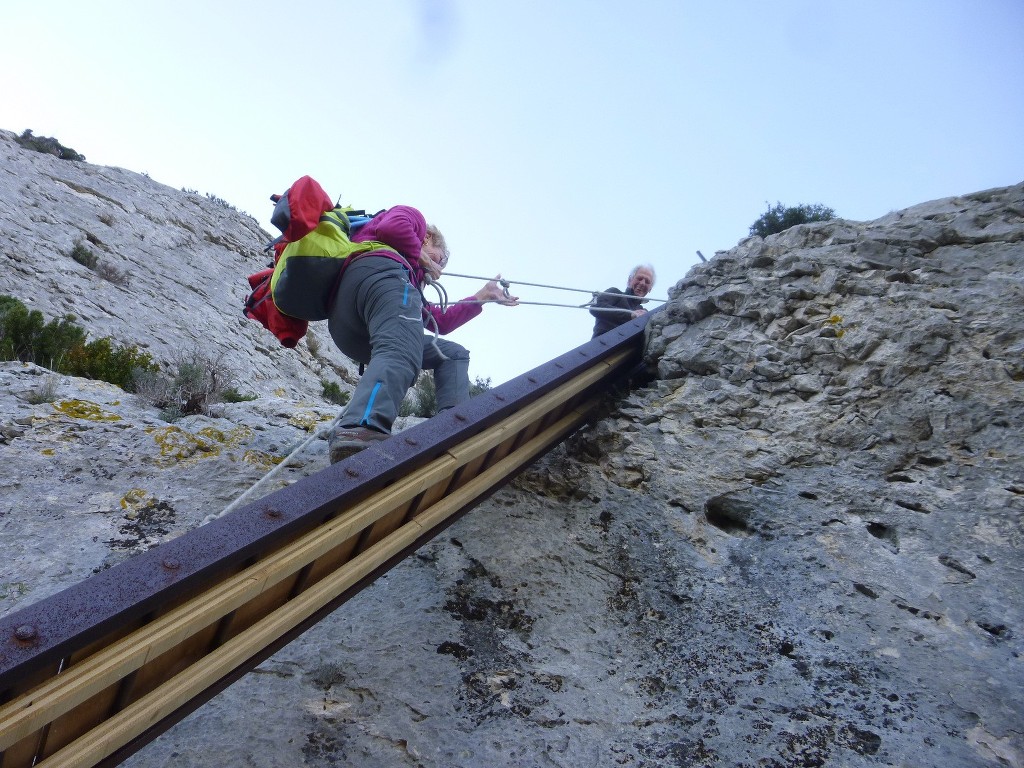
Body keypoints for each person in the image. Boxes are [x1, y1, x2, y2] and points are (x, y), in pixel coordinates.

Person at [326, 206, 518, 463]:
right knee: (401, 349)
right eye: (439, 259)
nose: (437, 268)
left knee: (452, 354)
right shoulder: (414, 220)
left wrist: (481, 297)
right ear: (428, 238)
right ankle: (361, 428)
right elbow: (390, 227)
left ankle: (454, 423)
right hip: (380, 279)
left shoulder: (410, 281)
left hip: (349, 326)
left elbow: (441, 322)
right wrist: (421, 257)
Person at [589, 263, 656, 338]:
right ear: (630, 280)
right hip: (603, 345)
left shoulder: (643, 311)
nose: (642, 283)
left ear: (650, 288)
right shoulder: (615, 293)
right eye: (639, 278)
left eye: (647, 281)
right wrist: (630, 315)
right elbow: (596, 307)